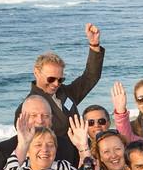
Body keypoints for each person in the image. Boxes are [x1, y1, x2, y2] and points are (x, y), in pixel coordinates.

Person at [22, 23, 105, 159]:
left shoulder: (65, 93)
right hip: (59, 164)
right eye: (51, 79)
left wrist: (94, 45)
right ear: (36, 72)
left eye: (60, 79)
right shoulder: (29, 107)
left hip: (83, 156)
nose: (56, 84)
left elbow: (90, 77)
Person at [0, 95, 75, 170]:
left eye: (45, 116)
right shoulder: (3, 150)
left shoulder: (67, 147)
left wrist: (83, 147)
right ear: (21, 118)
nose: (40, 121)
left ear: (51, 119)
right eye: (33, 115)